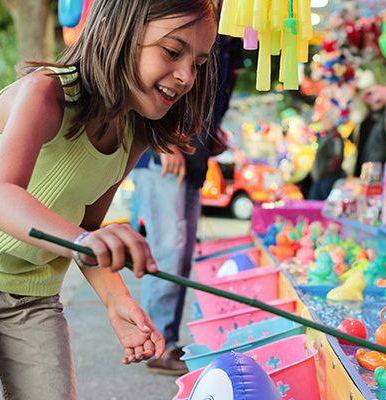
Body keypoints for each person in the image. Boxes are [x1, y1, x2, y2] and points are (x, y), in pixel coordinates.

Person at [0, 0, 217, 398]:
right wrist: (80, 241)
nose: (186, 76)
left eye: (198, 62)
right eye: (173, 51)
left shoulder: (134, 134)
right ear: (118, 30)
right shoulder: (45, 92)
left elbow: (89, 228)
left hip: (31, 297)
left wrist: (117, 300)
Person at [132, 35, 242, 375]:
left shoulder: (233, 33)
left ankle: (165, 341)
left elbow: (213, 96)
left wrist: (212, 135)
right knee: (168, 250)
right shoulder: (189, 17)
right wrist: (159, 141)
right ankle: (156, 344)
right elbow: (143, 75)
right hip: (163, 153)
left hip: (194, 156)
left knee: (179, 254)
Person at [309, 99, 346, 200]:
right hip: (322, 178)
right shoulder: (328, 136)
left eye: (325, 119)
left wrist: (327, 172)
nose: (323, 122)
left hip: (328, 179)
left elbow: (336, 158)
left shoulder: (335, 137)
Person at [352, 89, 386, 177]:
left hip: (379, 167)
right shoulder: (365, 120)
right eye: (371, 98)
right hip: (364, 164)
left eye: (378, 99)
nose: (374, 101)